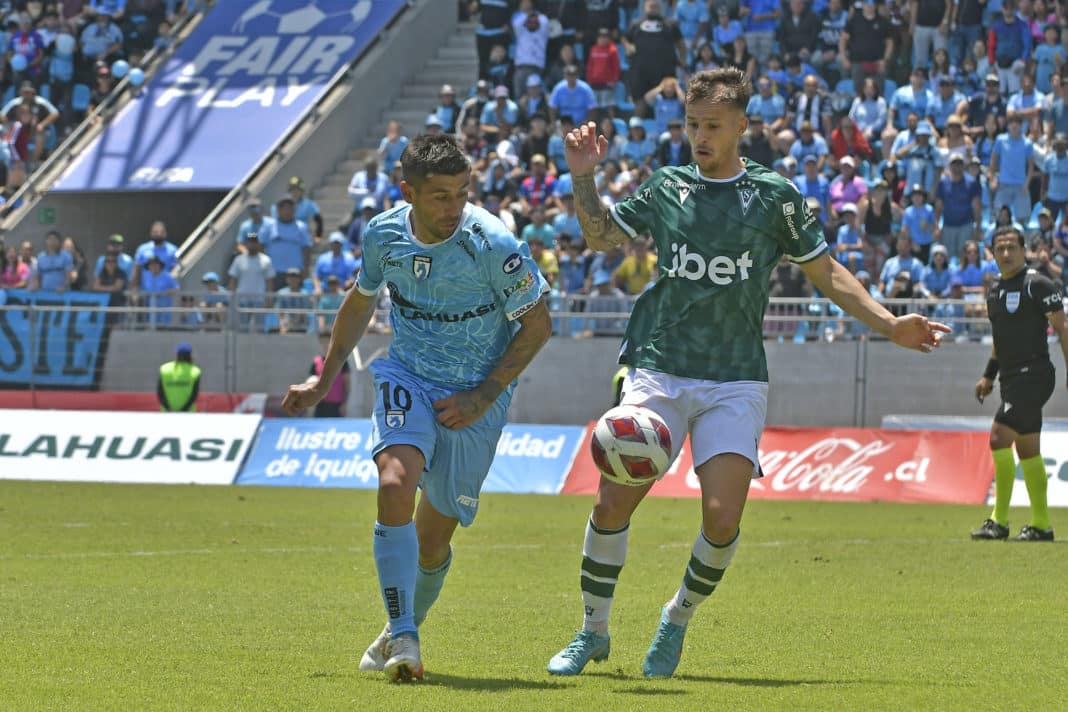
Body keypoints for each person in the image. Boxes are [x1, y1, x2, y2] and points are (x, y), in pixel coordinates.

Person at [545, 68, 948, 679]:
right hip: (658, 364)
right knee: (613, 499)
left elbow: (827, 272)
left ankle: (675, 619)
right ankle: (592, 631)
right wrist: (583, 175)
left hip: (734, 375)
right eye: (691, 125)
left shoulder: (773, 198)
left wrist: (889, 323)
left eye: (711, 125)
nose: (699, 136)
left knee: (722, 517)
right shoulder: (668, 186)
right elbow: (601, 238)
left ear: (740, 126)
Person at [280, 134, 553, 683]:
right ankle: (406, 633)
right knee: (393, 483)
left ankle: (395, 629)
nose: (453, 208)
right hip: (408, 377)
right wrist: (321, 380)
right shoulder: (382, 234)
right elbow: (359, 305)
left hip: (477, 396)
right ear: (408, 191)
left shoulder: (493, 242)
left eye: (461, 194)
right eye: (439, 197)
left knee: (432, 545)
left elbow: (538, 324)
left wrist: (483, 395)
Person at [972, 226, 1066, 542]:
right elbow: (1000, 340)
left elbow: (1063, 327)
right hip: (1011, 378)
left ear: (1024, 249)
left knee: (999, 436)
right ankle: (1041, 525)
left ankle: (998, 521)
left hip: (1035, 374)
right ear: (993, 253)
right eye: (1000, 248)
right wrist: (989, 374)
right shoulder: (994, 291)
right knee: (1028, 449)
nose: (1007, 253)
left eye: (1012, 247)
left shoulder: (1038, 284)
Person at [309, 331, 350, 418]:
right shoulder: (316, 362)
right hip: (320, 406)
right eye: (323, 342)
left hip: (336, 406)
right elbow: (310, 383)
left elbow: (347, 385)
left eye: (327, 341)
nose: (325, 344)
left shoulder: (342, 361)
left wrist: (344, 404)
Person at [157, 342, 201, 412]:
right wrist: (182, 410)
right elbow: (194, 395)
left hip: (167, 413)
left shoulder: (164, 369)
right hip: (188, 413)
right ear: (190, 355)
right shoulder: (195, 371)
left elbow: (160, 393)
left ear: (177, 354)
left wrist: (169, 409)